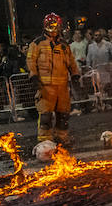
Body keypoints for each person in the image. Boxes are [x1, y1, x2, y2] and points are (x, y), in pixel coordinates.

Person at [26, 12, 80, 145]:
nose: (53, 28)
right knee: (46, 116)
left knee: (63, 115)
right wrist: (33, 76)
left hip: (62, 86)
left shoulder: (63, 45)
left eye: (55, 25)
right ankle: (45, 141)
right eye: (51, 25)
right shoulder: (37, 43)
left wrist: (75, 75)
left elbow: (71, 62)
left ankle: (62, 137)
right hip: (45, 86)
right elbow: (30, 60)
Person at [85, 29, 112, 111]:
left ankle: (107, 103)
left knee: (106, 88)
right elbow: (88, 58)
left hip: (105, 69)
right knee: (97, 88)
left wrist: (111, 63)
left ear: (101, 36)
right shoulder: (91, 46)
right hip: (95, 71)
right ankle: (98, 104)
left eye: (99, 35)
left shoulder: (108, 44)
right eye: (95, 35)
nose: (97, 37)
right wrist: (88, 68)